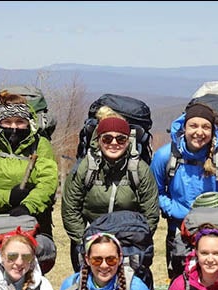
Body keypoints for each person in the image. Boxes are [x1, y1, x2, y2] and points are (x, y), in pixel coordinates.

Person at [62, 109, 159, 271]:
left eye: (120, 139)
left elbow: (150, 214)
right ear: (98, 140)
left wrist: (134, 240)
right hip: (89, 242)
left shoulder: (139, 170)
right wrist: (86, 241)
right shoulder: (85, 168)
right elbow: (70, 210)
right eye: (107, 138)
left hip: (129, 244)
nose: (114, 143)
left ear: (128, 141)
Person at [150, 102, 218, 279]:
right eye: (193, 125)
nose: (199, 132)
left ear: (213, 130)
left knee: (214, 277)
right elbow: (155, 192)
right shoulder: (165, 156)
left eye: (206, 127)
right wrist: (173, 209)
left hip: (217, 230)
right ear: (184, 127)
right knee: (179, 278)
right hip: (179, 229)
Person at [0, 89, 58, 239]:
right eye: (7, 122)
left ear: (29, 123)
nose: (13, 127)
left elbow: (48, 183)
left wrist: (27, 206)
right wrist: (8, 197)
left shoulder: (40, 144)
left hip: (31, 221)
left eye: (20, 122)